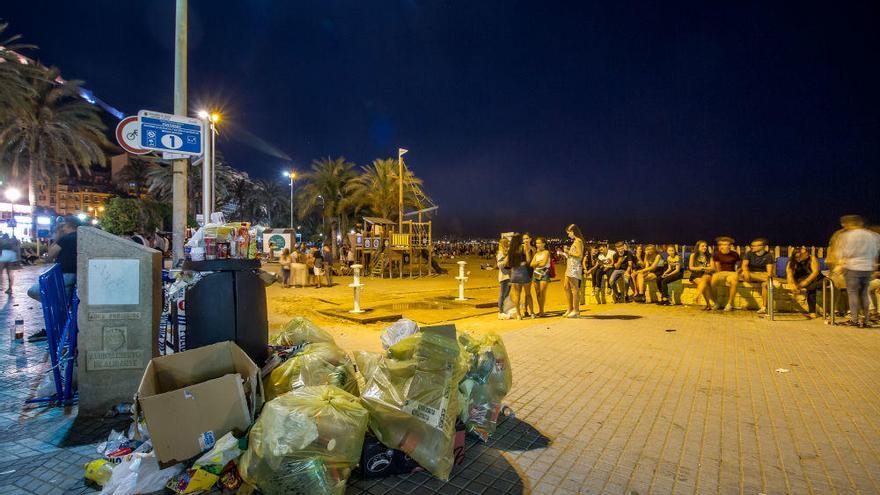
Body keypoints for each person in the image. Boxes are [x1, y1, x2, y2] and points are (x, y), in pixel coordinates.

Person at [27, 216, 82, 342]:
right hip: (75, 275)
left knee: (34, 291)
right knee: (63, 306)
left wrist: (58, 235)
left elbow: (49, 256)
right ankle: (57, 332)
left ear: (67, 225)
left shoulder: (66, 238)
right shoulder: (81, 237)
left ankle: (55, 330)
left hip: (64, 274)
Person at [833, 215, 880, 327]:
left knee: (853, 294)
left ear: (848, 224)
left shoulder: (846, 236)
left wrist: (839, 266)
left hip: (853, 268)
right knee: (864, 293)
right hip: (867, 268)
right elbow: (875, 252)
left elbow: (842, 253)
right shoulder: (873, 236)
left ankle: (854, 320)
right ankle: (866, 320)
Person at [786, 246, 824, 319]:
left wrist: (804, 283)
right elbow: (789, 274)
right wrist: (792, 285)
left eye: (806, 252)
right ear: (797, 255)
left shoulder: (812, 258)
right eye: (804, 253)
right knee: (811, 287)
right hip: (801, 278)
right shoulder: (792, 261)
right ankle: (812, 312)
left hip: (816, 278)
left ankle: (812, 312)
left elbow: (815, 272)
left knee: (819, 284)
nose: (807, 253)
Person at [742, 238, 775, 315]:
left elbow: (769, 271)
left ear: (762, 246)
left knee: (765, 284)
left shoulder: (768, 255)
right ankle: (772, 281)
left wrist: (767, 277)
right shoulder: (749, 254)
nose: (752, 247)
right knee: (744, 274)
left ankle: (764, 307)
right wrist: (746, 272)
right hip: (751, 274)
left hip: (762, 274)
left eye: (754, 246)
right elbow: (744, 266)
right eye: (751, 245)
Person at [559, 224, 584, 318]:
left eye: (569, 233)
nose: (568, 235)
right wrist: (566, 253)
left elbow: (579, 255)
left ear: (573, 231)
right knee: (566, 287)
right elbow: (574, 254)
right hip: (570, 266)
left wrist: (567, 251)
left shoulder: (578, 241)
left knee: (575, 289)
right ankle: (570, 308)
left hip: (574, 267)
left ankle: (576, 310)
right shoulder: (575, 241)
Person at [711, 237, 740, 311]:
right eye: (721, 244)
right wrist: (721, 276)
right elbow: (717, 267)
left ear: (729, 246)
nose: (722, 246)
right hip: (721, 272)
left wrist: (737, 272)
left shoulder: (735, 254)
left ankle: (729, 304)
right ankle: (716, 302)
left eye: (725, 244)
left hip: (731, 272)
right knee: (713, 280)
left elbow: (739, 265)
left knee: (734, 281)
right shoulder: (716, 254)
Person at [689, 240, 715, 310]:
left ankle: (700, 298)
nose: (705, 247)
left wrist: (703, 268)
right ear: (698, 247)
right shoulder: (693, 255)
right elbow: (691, 267)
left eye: (706, 246)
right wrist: (702, 268)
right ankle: (708, 304)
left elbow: (712, 268)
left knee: (703, 283)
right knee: (702, 283)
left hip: (706, 274)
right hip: (696, 275)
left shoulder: (709, 256)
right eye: (702, 246)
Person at [530, 237, 551, 317]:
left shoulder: (546, 252)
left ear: (544, 244)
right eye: (536, 243)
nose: (537, 245)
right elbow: (531, 264)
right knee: (538, 293)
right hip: (535, 274)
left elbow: (544, 264)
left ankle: (542, 310)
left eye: (539, 243)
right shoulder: (536, 254)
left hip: (544, 273)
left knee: (542, 292)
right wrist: (539, 262)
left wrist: (537, 263)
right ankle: (540, 310)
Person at [496, 237, 511, 320]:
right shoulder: (500, 253)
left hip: (509, 276)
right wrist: (507, 257)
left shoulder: (506, 252)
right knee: (502, 294)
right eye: (505, 243)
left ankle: (505, 310)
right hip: (504, 277)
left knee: (507, 294)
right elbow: (500, 265)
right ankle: (501, 312)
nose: (507, 244)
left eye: (507, 243)